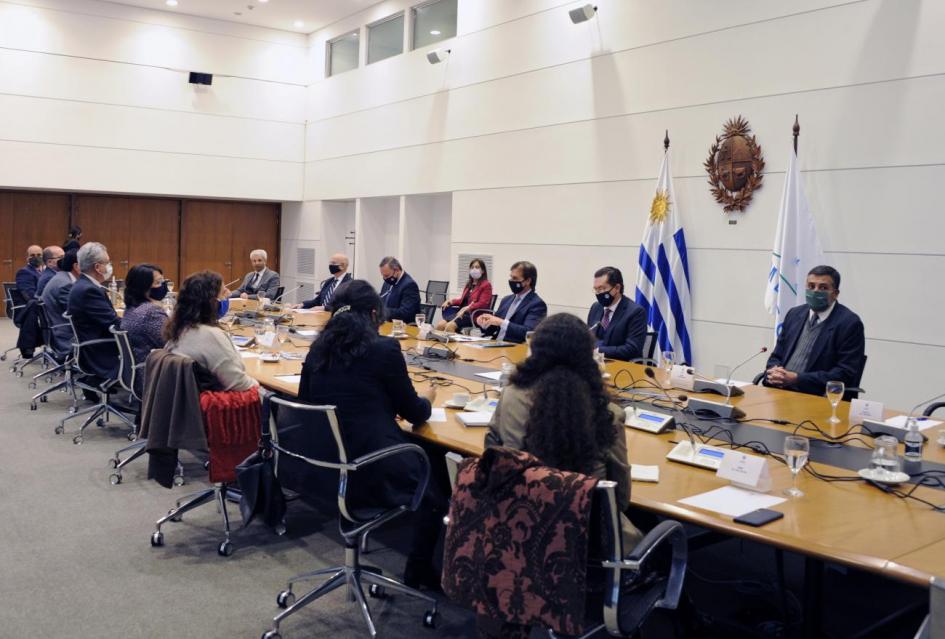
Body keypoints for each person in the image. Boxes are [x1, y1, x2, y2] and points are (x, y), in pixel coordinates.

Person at [297, 279, 444, 589]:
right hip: (368, 466)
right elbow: (415, 413)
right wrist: (429, 397)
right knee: (435, 466)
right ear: (375, 313)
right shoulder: (384, 349)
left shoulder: (316, 351)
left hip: (321, 465)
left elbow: (306, 402)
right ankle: (419, 569)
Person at [764, 265, 866, 398]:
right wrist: (775, 371)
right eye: (811, 286)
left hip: (816, 396)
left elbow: (844, 373)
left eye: (823, 288)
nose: (815, 291)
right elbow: (777, 355)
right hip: (780, 390)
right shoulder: (794, 314)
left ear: (835, 294)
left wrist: (798, 378)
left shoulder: (849, 323)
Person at [165, 271, 256, 391]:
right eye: (224, 293)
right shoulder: (211, 335)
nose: (227, 297)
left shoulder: (178, 328)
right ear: (211, 301)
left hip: (187, 402)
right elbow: (240, 384)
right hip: (218, 405)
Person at [67, 242, 121, 381]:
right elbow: (114, 324)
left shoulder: (83, 285)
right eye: (107, 262)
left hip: (92, 342)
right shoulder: (88, 290)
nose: (109, 266)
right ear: (97, 267)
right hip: (100, 349)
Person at [475, 261, 547, 343]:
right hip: (494, 344)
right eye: (511, 277)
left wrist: (501, 322)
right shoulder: (506, 300)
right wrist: (484, 324)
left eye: (515, 278)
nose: (511, 281)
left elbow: (528, 333)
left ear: (528, 281)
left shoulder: (537, 304)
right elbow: (492, 330)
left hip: (514, 348)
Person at [587, 266, 647, 361]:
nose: (598, 293)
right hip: (595, 366)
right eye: (596, 289)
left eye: (602, 288)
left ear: (617, 288)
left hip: (623, 367)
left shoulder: (635, 312)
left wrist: (598, 350)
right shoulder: (596, 307)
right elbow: (588, 339)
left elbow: (632, 349)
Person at [120, 264, 169, 364]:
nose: (163, 286)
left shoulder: (131, 307)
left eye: (162, 281)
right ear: (143, 287)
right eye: (158, 282)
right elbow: (171, 344)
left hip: (139, 367)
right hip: (152, 372)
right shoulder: (151, 312)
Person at [435, 258, 493, 333]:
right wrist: (450, 301)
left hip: (473, 316)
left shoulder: (486, 285)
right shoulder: (469, 284)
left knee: (449, 326)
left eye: (477, 267)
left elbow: (483, 303)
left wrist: (468, 307)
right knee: (440, 325)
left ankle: (454, 344)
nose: (474, 269)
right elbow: (462, 299)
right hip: (461, 314)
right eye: (472, 267)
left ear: (483, 271)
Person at [41, 250, 80, 355]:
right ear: (77, 266)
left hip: (58, 327)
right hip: (66, 334)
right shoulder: (65, 284)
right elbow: (77, 314)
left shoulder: (61, 277)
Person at [378, 256, 421, 322]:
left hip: (405, 328)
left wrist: (383, 311)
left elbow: (405, 312)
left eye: (386, 275)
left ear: (397, 270)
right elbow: (382, 299)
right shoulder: (388, 281)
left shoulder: (409, 285)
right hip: (387, 324)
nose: (384, 278)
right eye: (383, 275)